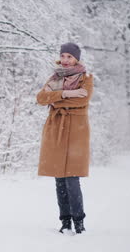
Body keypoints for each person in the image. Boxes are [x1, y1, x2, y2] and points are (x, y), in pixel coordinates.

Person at [35, 42, 94, 234]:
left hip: (77, 131)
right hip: (56, 129)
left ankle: (79, 221)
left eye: (70, 56)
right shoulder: (54, 77)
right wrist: (67, 93)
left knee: (72, 178)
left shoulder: (86, 78)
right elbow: (41, 98)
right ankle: (65, 221)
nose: (66, 60)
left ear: (76, 58)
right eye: (63, 56)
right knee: (59, 178)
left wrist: (55, 98)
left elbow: (83, 99)